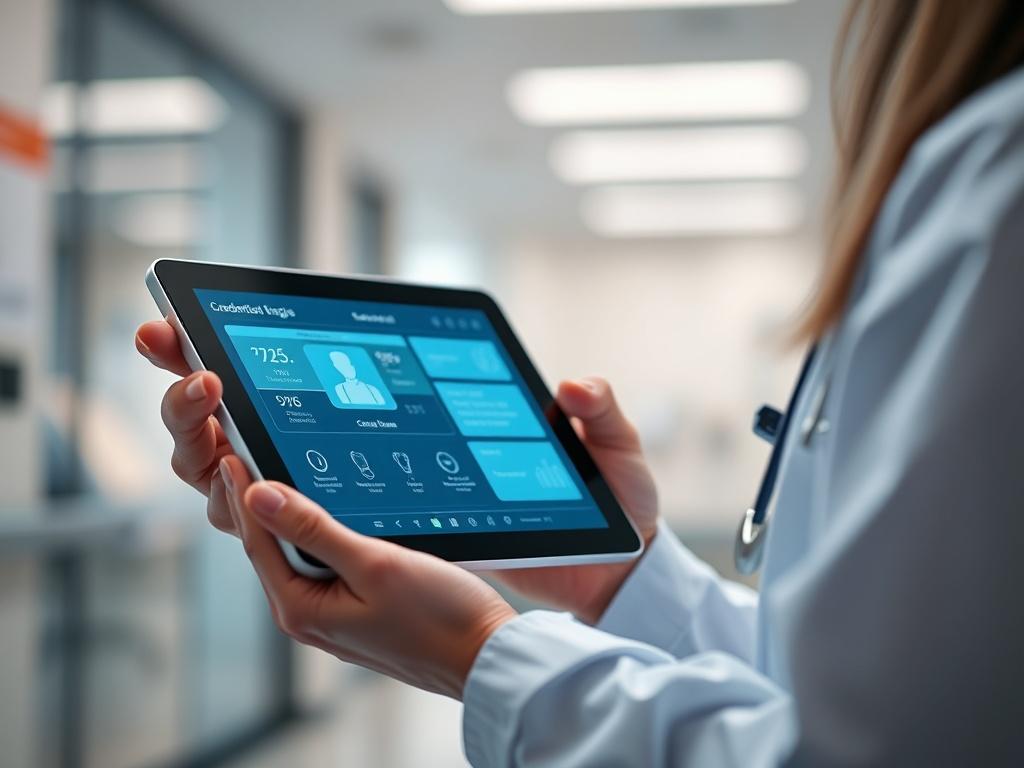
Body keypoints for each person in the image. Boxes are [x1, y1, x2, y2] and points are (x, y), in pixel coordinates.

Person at [135, 2, 1024, 764]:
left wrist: (482, 654)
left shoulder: (1001, 173)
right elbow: (853, 690)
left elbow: (868, 751)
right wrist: (618, 579)